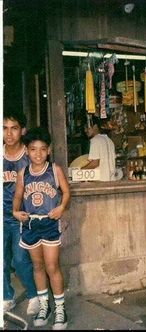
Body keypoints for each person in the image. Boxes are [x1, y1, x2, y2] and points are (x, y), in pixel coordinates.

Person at [12, 127, 70, 330]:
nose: (38, 154)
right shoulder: (23, 173)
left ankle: (61, 309)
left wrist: (61, 207)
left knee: (52, 266)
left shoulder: (55, 170)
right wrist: (15, 211)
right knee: (37, 267)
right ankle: (45, 306)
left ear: (49, 150)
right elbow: (18, 196)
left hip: (49, 223)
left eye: (42, 149)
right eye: (33, 149)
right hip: (29, 224)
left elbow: (66, 192)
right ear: (27, 151)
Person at [3, 109, 40, 315]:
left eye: (14, 128)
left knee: (19, 260)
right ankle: (6, 297)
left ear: (22, 130)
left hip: (21, 218)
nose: (9, 134)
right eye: (4, 129)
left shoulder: (29, 157)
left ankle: (33, 294)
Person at [82, 116, 116, 181]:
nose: (85, 130)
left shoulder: (95, 140)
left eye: (87, 127)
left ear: (95, 126)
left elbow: (95, 163)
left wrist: (79, 171)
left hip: (100, 181)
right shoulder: (109, 140)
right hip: (111, 181)